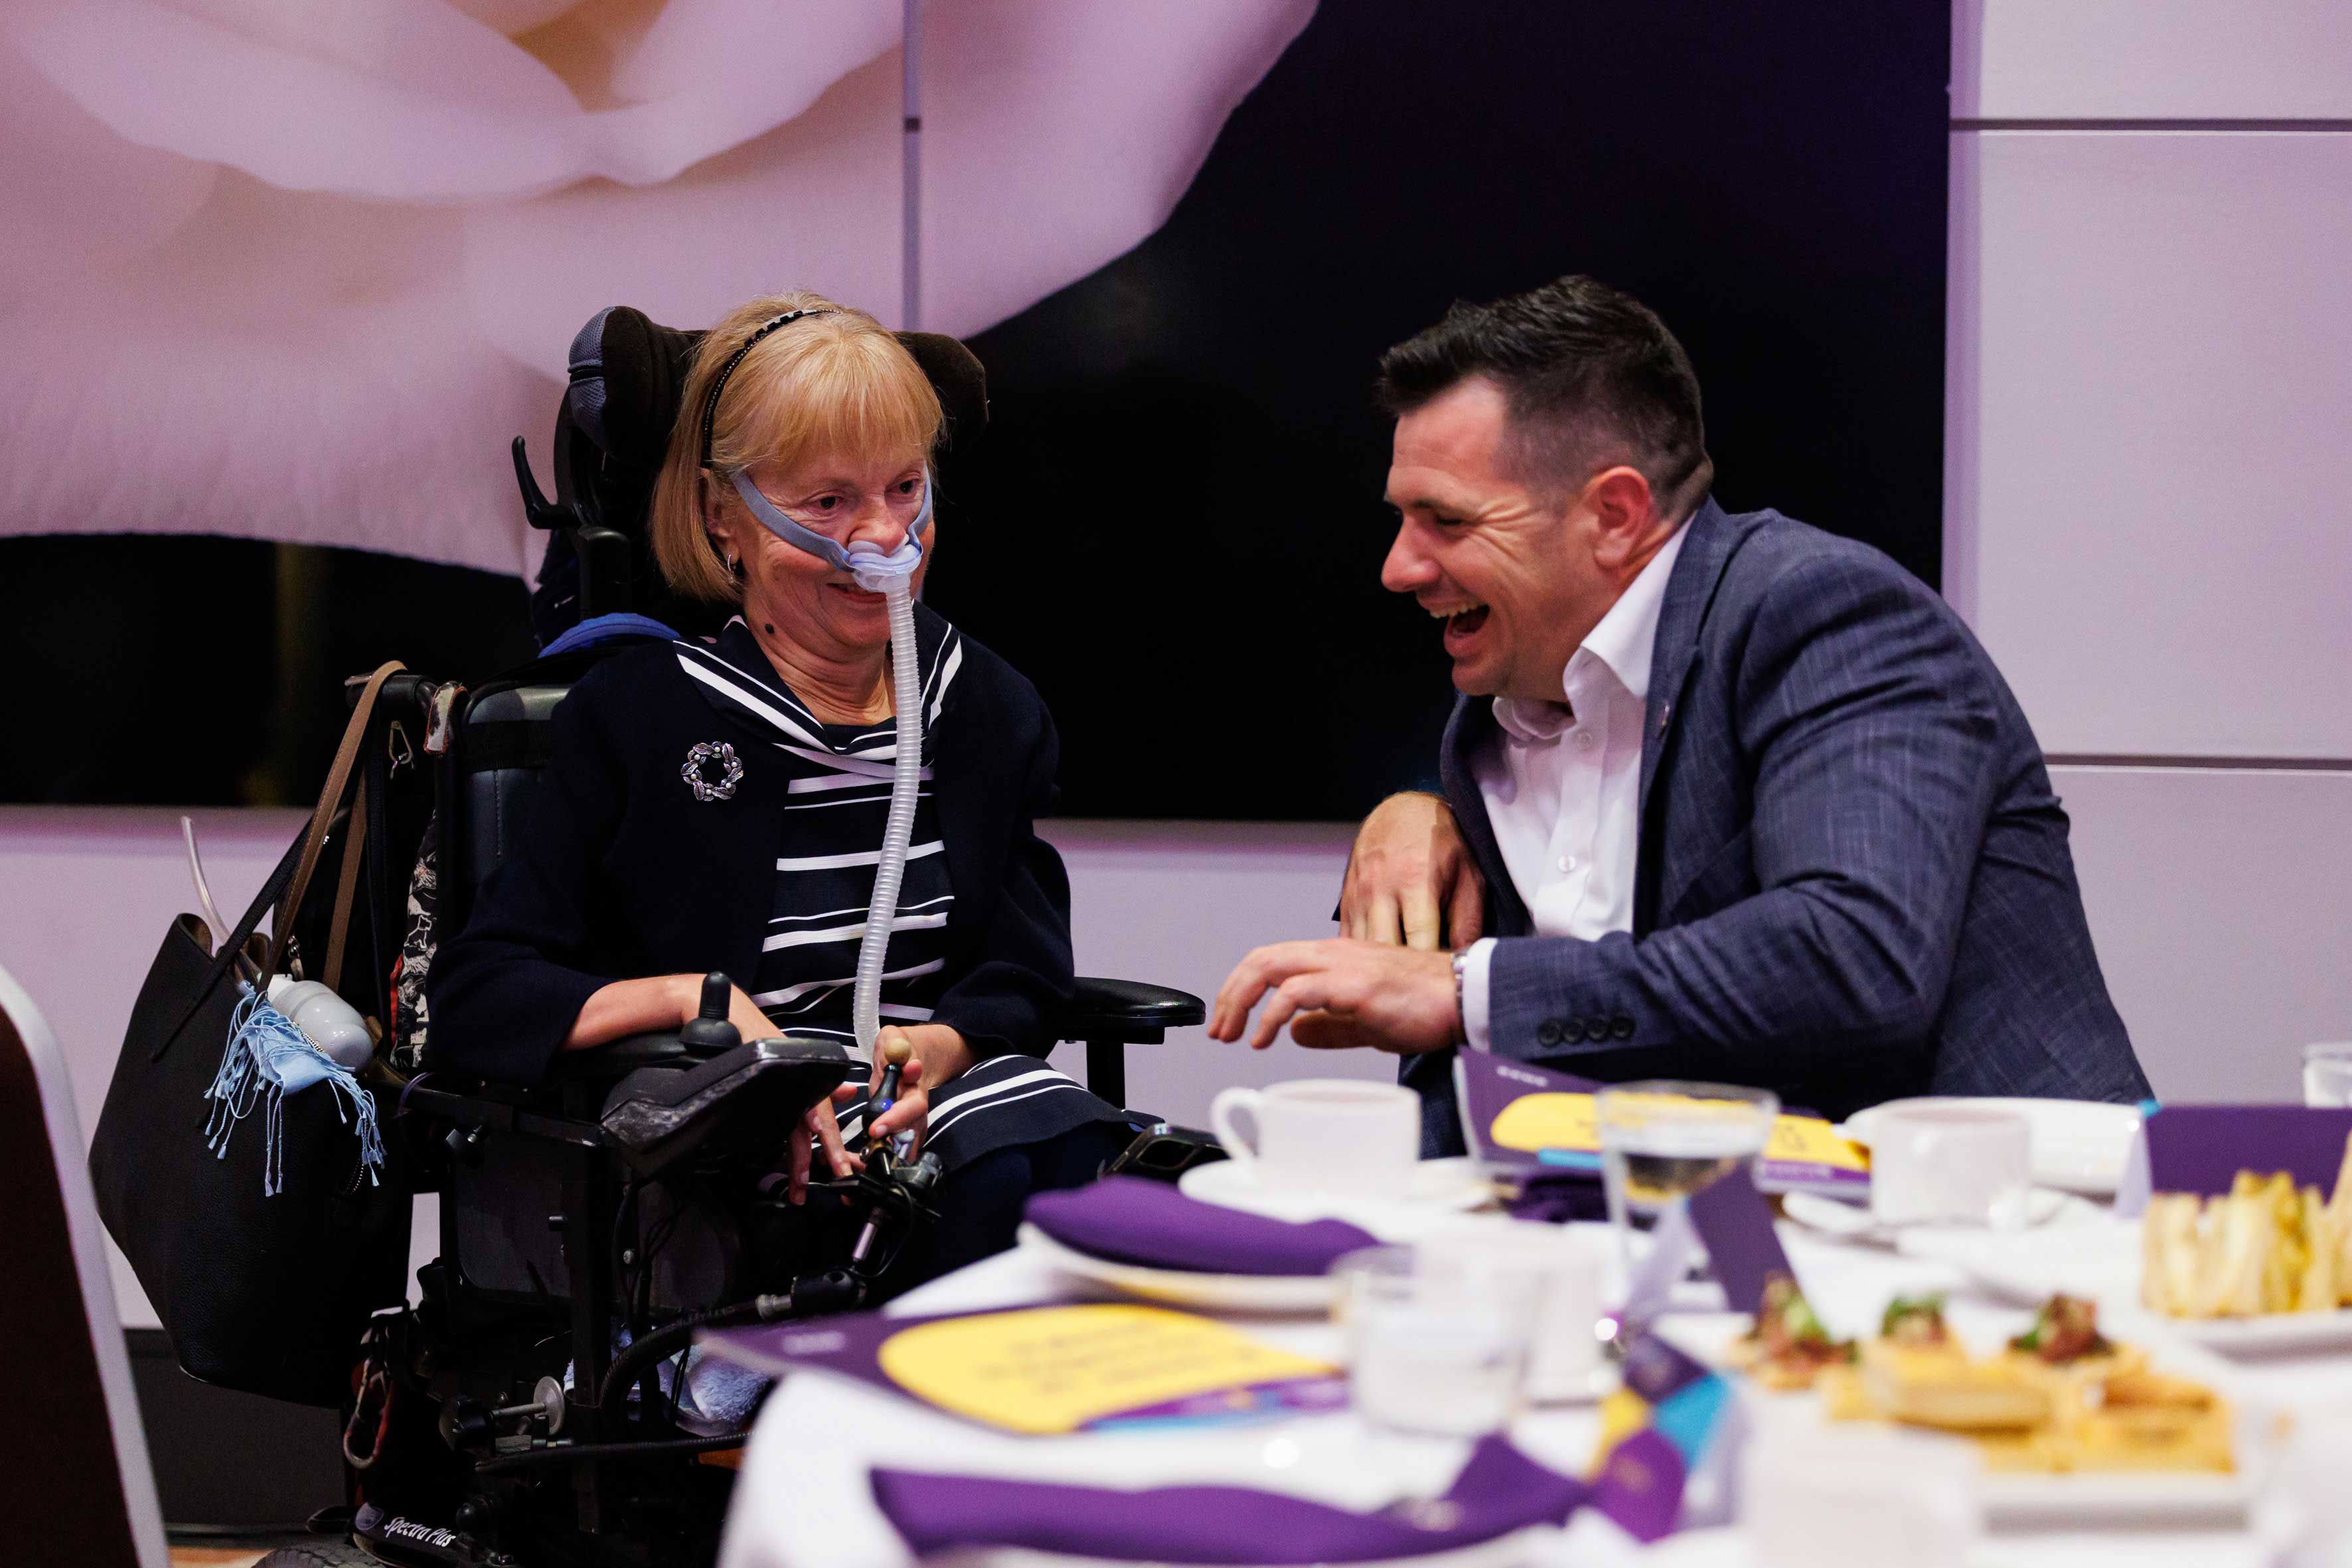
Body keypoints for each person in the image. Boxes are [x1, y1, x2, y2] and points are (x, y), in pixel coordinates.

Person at [1209, 275, 2150, 1152]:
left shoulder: (1822, 611)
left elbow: (1851, 960)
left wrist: (1465, 992)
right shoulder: (1492, 720)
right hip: (1668, 1229)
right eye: (1402, 519)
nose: (1398, 569)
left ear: (1615, 515)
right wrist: (1417, 811)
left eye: (1447, 520)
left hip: (2001, 1223)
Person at [430, 291, 1133, 1282]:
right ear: (726, 517)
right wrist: (700, 1004)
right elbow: (478, 996)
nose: (881, 537)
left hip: (941, 1114)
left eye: (904, 488)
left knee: (1113, 1186)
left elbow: (1024, 964)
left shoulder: (982, 707)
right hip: (747, 1159)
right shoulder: (639, 718)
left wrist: (946, 1041)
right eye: (829, 503)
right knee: (998, 1190)